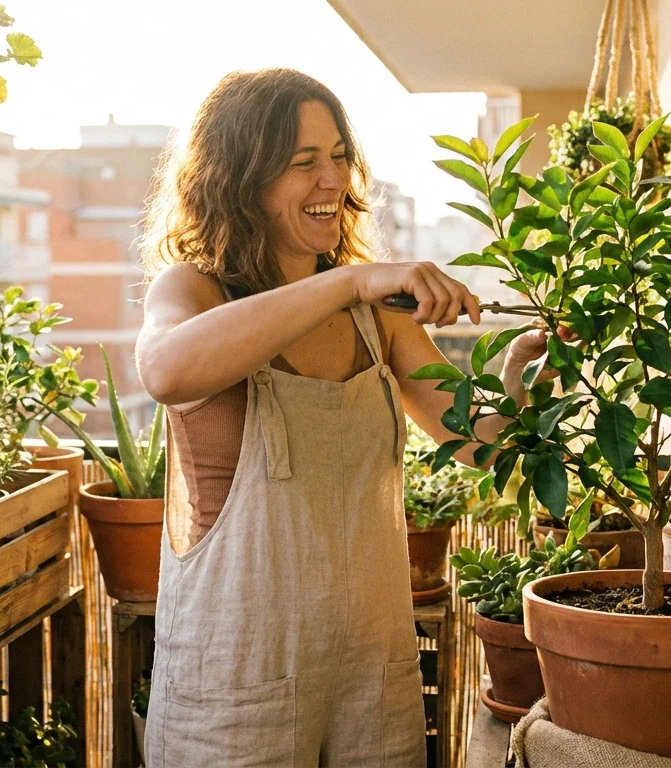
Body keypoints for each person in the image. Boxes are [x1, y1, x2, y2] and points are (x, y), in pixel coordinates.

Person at [135, 68, 549, 766]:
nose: (333, 180)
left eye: (338, 156)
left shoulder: (374, 320)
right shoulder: (194, 289)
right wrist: (352, 278)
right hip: (236, 689)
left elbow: (479, 446)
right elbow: (166, 372)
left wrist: (524, 377)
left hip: (370, 683)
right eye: (303, 163)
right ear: (240, 180)